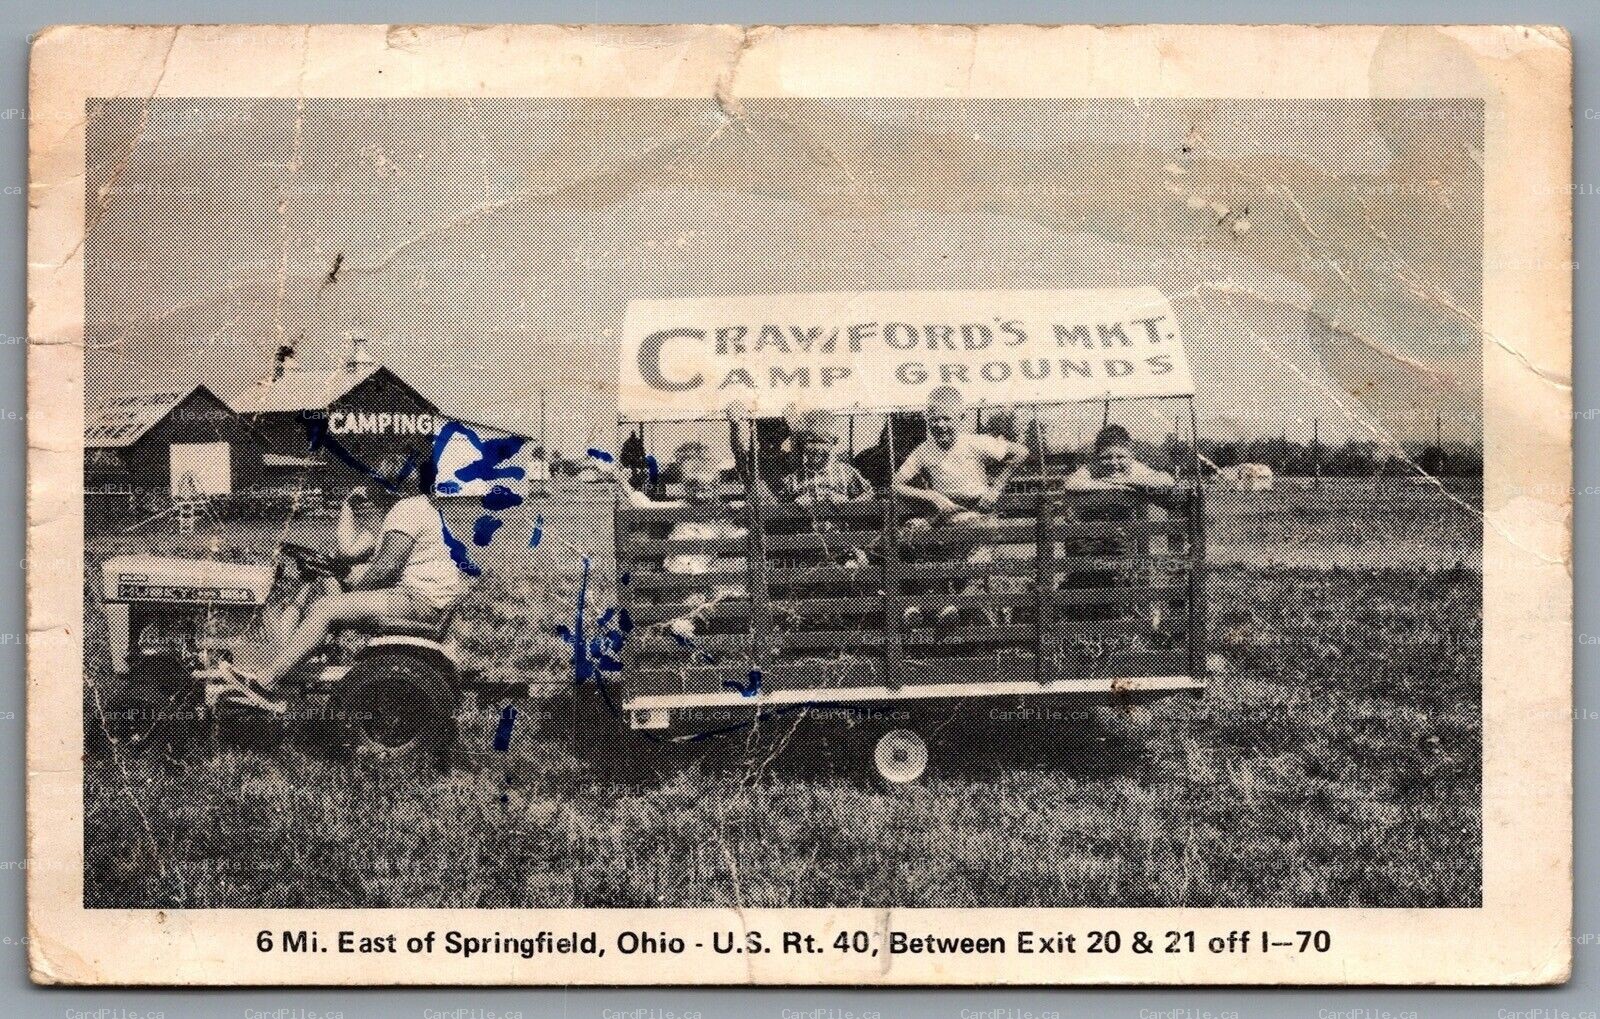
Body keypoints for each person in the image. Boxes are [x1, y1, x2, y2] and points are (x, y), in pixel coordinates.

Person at [233, 452, 470, 698]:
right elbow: (354, 556)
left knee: (325, 608)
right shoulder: (416, 509)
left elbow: (386, 569)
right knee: (332, 599)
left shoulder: (406, 511)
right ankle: (290, 669)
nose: (366, 491)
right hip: (425, 600)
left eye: (371, 484)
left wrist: (351, 592)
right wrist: (344, 576)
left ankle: (266, 683)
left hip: (418, 601)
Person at [892, 386, 1030, 628]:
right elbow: (896, 484)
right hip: (944, 519)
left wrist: (996, 488)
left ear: (961, 418)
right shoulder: (924, 451)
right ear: (927, 420)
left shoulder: (976, 443)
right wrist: (931, 496)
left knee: (973, 560)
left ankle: (956, 608)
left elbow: (1021, 452)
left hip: (975, 518)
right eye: (935, 420)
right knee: (911, 533)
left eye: (947, 419)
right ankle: (922, 605)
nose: (941, 425)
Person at [606, 442, 747, 639]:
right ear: (686, 487)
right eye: (694, 486)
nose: (700, 493)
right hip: (678, 574)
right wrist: (622, 483)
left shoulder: (720, 514)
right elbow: (644, 506)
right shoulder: (680, 507)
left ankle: (696, 629)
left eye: (707, 487)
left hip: (703, 576)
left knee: (712, 597)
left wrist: (741, 519)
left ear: (715, 488)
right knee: (682, 607)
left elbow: (736, 535)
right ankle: (680, 629)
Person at [779, 408, 873, 506]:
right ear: (802, 445)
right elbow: (780, 508)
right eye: (811, 441)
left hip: (840, 515)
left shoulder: (846, 473)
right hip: (807, 516)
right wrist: (794, 505)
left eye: (823, 442)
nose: (817, 448)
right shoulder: (794, 479)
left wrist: (846, 503)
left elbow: (868, 496)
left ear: (833, 444)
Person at [1062, 424, 1175, 492]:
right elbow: (1070, 483)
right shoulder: (1093, 468)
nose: (1113, 462)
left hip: (1133, 521)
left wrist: (1126, 481)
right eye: (1106, 457)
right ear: (1097, 457)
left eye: (1121, 457)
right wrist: (1113, 485)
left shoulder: (1136, 467)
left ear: (1131, 455)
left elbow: (1167, 481)